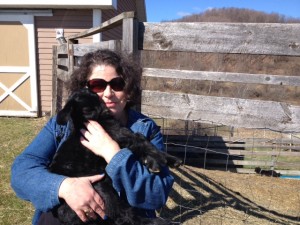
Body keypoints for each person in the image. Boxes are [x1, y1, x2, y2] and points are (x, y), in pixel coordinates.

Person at [11, 49, 174, 225]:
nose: (108, 93)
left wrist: (113, 154)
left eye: (118, 84)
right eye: (98, 85)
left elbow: (156, 194)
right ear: (84, 89)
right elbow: (22, 171)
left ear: (128, 90)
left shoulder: (145, 129)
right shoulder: (62, 125)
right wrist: (64, 187)